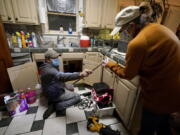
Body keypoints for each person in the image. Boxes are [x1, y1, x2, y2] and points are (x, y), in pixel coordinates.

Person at [103, 3, 180, 135]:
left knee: (146, 129)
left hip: (157, 98)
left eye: (124, 30)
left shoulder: (138, 42)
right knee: (162, 126)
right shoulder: (160, 28)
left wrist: (110, 64)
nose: (125, 33)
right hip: (175, 95)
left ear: (132, 25)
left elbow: (127, 74)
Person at [40, 49, 92, 119]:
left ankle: (54, 101)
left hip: (51, 89)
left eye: (57, 57)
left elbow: (57, 79)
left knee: (71, 87)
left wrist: (64, 85)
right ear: (48, 60)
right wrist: (80, 74)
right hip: (53, 93)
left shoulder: (46, 66)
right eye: (54, 58)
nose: (57, 59)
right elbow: (62, 76)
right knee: (77, 97)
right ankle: (58, 106)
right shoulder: (50, 70)